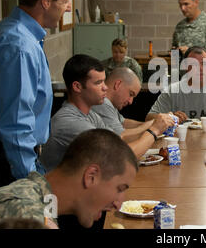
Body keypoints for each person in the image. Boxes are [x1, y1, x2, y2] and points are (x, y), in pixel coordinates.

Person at [0, 0, 73, 196]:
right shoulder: (19, 45)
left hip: (8, 157)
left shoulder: (13, 31)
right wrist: (31, 183)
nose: (68, 7)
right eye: (65, 0)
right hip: (8, 162)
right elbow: (15, 124)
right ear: (46, 1)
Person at [0, 129, 138, 229]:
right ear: (91, 176)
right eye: (119, 189)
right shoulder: (27, 213)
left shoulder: (44, 202)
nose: (119, 204)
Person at [40, 54, 174, 173]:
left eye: (104, 81)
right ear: (77, 87)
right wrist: (154, 130)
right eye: (98, 83)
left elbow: (118, 140)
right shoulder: (70, 122)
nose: (105, 87)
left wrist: (151, 125)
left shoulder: (90, 115)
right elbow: (121, 158)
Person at [92, 67, 152, 138]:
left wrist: (150, 124)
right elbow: (120, 137)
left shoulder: (110, 103)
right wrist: (152, 129)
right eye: (131, 94)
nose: (131, 101)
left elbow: (123, 122)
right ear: (118, 84)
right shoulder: (102, 102)